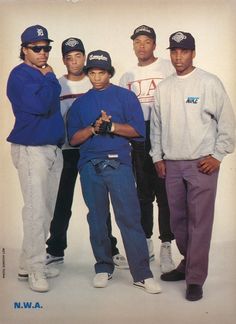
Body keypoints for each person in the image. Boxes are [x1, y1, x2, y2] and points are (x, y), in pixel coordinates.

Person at [150, 31, 236, 301]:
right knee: (178, 222)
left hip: (202, 164)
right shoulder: (164, 88)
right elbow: (156, 126)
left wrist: (218, 155)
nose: (178, 57)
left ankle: (195, 278)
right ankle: (188, 262)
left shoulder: (209, 82)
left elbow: (228, 123)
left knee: (200, 222)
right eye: (174, 51)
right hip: (172, 164)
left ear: (193, 53)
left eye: (184, 51)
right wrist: (157, 157)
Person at [67, 50, 161, 294]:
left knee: (129, 217)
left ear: (109, 73)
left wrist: (112, 126)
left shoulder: (125, 97)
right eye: (93, 73)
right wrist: (93, 128)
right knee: (97, 219)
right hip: (90, 166)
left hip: (118, 163)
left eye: (102, 72)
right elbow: (74, 139)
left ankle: (142, 273)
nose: (97, 77)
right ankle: (103, 266)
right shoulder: (80, 103)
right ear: (88, 74)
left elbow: (138, 130)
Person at [46, 38, 128, 269]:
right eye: (69, 58)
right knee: (62, 202)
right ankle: (55, 250)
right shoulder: (58, 85)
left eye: (78, 56)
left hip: (94, 150)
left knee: (101, 202)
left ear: (85, 57)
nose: (74, 62)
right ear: (63, 60)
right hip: (67, 151)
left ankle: (111, 250)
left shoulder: (95, 83)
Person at [7, 25, 65, 292]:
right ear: (24, 50)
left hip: (52, 149)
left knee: (46, 210)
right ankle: (36, 267)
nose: (43, 53)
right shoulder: (19, 76)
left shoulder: (41, 77)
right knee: (35, 210)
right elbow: (42, 105)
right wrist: (51, 78)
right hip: (31, 149)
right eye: (37, 48)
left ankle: (24, 264)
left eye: (46, 48)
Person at [119, 25, 175, 273]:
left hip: (165, 132)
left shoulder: (167, 67)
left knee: (165, 194)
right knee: (143, 194)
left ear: (154, 44)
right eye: (137, 42)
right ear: (133, 45)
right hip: (139, 135)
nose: (142, 46)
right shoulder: (127, 76)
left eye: (147, 41)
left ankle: (166, 246)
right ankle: (146, 242)